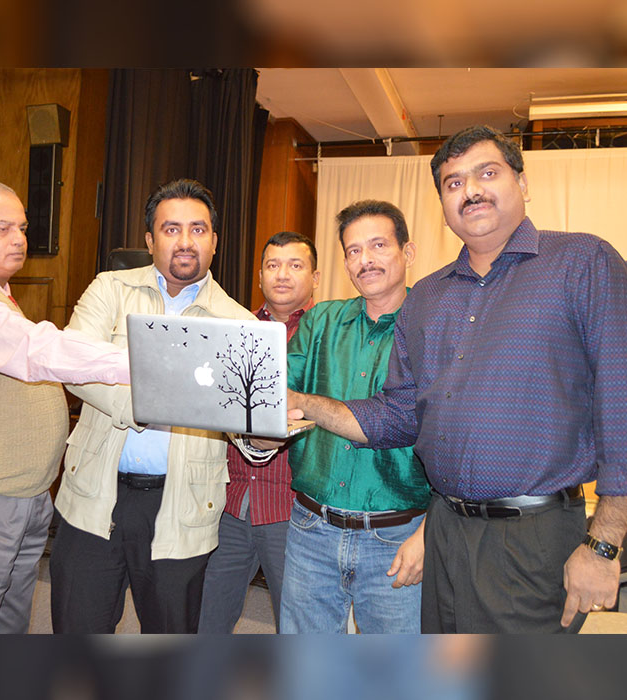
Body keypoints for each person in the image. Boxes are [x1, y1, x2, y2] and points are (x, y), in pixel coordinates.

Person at [288, 125, 627, 633]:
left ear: (522, 182)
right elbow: (398, 416)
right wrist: (305, 403)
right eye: (453, 183)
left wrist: (604, 545)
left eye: (487, 173)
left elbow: (620, 403)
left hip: (531, 535)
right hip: (444, 531)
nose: (470, 190)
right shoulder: (428, 296)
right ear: (443, 205)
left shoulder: (582, 262)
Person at [49, 178, 256, 634]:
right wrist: (148, 405)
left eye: (198, 229)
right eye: (171, 229)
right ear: (149, 239)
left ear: (215, 241)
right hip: (94, 495)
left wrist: (262, 435)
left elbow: (242, 420)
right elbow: (74, 366)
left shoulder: (238, 323)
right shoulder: (110, 289)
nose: (185, 241)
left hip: (183, 506)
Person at [0, 180, 130, 634]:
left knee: (7, 627)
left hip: (21, 497)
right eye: (2, 228)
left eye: (21, 227)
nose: (18, 238)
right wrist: (147, 363)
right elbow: (40, 349)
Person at [279, 200, 431, 634]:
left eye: (379, 245)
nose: (366, 260)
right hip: (311, 529)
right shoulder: (320, 322)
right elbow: (278, 393)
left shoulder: (434, 327)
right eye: (353, 250)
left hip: (397, 538)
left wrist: (429, 534)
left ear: (408, 251)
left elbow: (455, 442)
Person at [198, 231, 320, 633]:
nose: (282, 274)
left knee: (298, 627)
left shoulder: (327, 335)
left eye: (295, 265)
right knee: (208, 619)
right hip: (230, 501)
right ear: (260, 276)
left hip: (293, 508)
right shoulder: (234, 327)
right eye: (272, 265)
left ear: (315, 277)